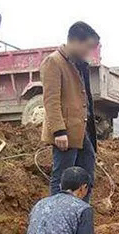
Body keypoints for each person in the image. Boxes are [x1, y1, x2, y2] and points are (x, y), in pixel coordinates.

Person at [41, 22, 99, 202]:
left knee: (87, 176)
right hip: (65, 134)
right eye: (87, 47)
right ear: (74, 41)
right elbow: (51, 100)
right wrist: (59, 131)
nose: (88, 52)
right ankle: (57, 220)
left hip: (81, 132)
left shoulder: (79, 64)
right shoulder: (54, 62)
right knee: (61, 180)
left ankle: (81, 216)